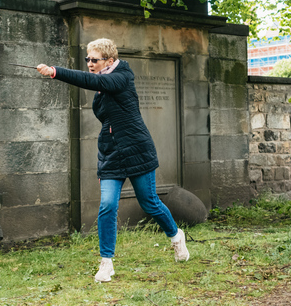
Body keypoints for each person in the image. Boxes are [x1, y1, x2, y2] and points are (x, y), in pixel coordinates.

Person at [37, 38, 189, 283]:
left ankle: (176, 236)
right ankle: (106, 263)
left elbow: (95, 81)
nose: (89, 63)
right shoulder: (103, 84)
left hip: (137, 148)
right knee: (107, 205)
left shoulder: (122, 76)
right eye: (87, 58)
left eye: (94, 59)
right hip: (111, 153)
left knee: (149, 203)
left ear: (109, 60)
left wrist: (55, 71)